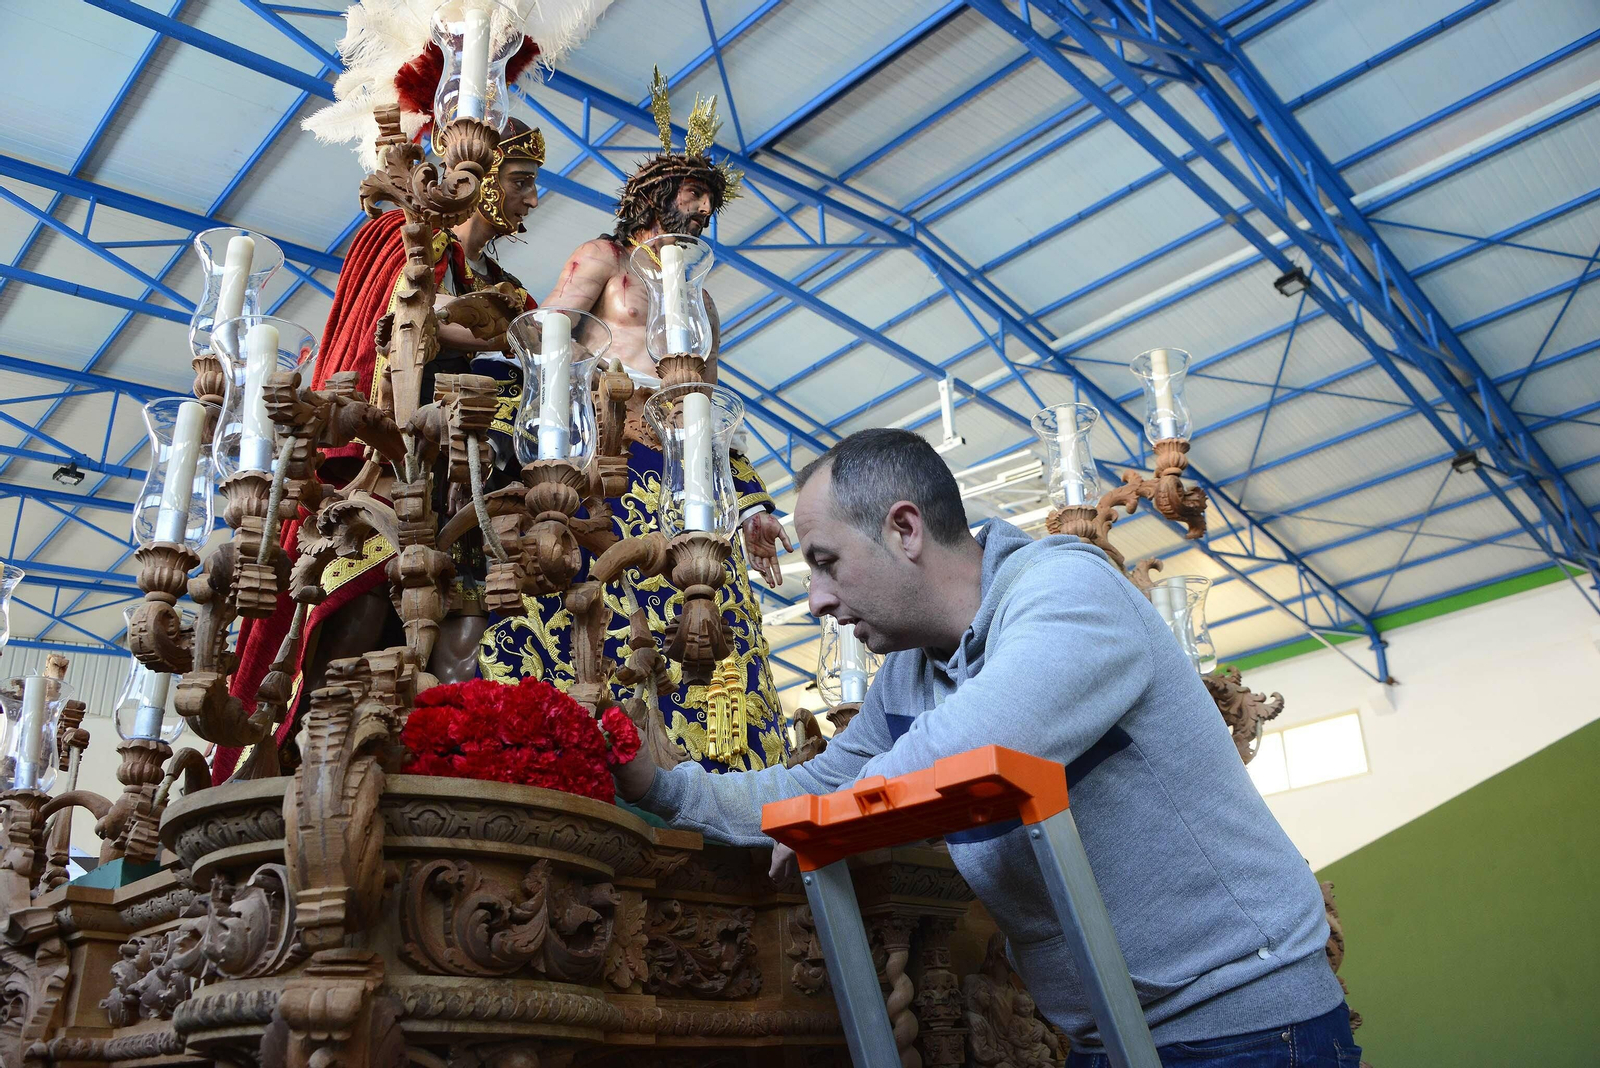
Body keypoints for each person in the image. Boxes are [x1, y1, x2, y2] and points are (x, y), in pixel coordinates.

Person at [615, 428, 1361, 1066]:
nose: (816, 601)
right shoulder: (910, 675)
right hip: (1108, 1037)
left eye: (826, 561)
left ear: (905, 530)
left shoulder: (1068, 589)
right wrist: (662, 787)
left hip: (1247, 1028)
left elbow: (982, 736)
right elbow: (819, 781)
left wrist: (833, 818)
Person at [210, 110, 547, 784]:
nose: (531, 198)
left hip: (471, 476)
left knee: (456, 631)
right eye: (520, 181)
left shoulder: (510, 286)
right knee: (359, 603)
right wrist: (495, 330)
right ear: (476, 178)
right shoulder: (404, 234)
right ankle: (302, 759)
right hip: (391, 456)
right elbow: (399, 322)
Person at [478, 73, 792, 773]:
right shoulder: (604, 260)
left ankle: (717, 760)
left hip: (683, 469)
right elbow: (540, 341)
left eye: (710, 202)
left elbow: (710, 410)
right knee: (603, 594)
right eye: (694, 195)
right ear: (655, 196)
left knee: (707, 603)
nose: (704, 210)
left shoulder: (703, 306)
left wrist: (754, 504)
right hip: (607, 453)